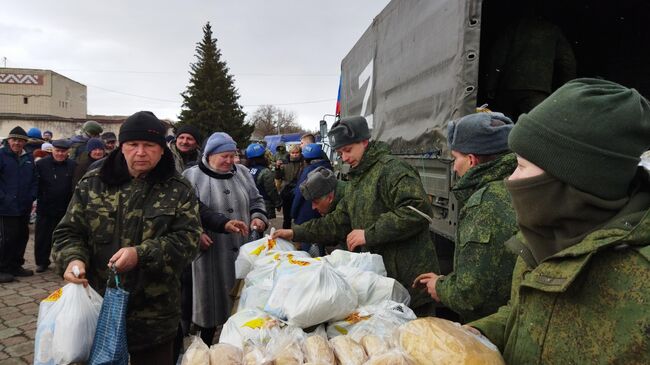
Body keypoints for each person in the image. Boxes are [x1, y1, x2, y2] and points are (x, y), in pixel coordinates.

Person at [467, 79, 650, 363]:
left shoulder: (640, 278)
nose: (510, 179)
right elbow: (526, 314)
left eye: (522, 167)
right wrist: (473, 336)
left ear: (574, 181)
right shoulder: (541, 237)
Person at [53, 111, 202, 363]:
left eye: (149, 145)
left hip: (155, 315)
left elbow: (189, 241)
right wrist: (73, 259)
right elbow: (69, 232)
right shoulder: (93, 184)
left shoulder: (179, 189)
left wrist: (141, 254)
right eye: (133, 145)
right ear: (122, 148)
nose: (141, 152)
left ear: (162, 149)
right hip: (98, 308)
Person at [273, 116, 440, 314]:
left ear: (364, 141)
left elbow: (418, 212)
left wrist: (368, 234)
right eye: (340, 152)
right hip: (384, 285)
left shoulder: (392, 170)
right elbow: (337, 222)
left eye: (348, 150)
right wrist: (294, 233)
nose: (344, 157)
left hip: (411, 283)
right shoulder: (358, 178)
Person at [413, 111, 518, 323]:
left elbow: (472, 293)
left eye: (455, 158)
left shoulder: (485, 203)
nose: (454, 167)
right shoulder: (518, 184)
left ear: (471, 160)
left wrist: (440, 288)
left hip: (490, 328)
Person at [182, 132, 268, 345]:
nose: (230, 161)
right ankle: (204, 347)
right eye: (224, 156)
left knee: (241, 305)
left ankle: (237, 347)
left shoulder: (243, 173)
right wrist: (197, 233)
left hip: (242, 250)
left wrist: (258, 218)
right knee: (209, 309)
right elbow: (184, 212)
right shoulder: (191, 177)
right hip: (209, 252)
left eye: (233, 155)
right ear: (210, 155)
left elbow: (256, 200)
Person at [485, 16, 576, 120]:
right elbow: (567, 62)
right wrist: (566, 91)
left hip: (509, 88)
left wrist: (491, 85)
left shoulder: (514, 27)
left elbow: (498, 56)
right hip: (538, 89)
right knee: (537, 126)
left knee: (502, 125)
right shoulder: (553, 30)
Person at [0, 127, 38, 282]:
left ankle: (16, 265)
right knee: (6, 238)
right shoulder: (2, 156)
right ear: (9, 140)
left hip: (24, 205)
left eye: (20, 140)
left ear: (25, 142)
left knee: (22, 236)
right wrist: (3, 197)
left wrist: (32, 195)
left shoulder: (28, 158)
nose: (17, 143)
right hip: (5, 207)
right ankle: (2, 268)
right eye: (14, 139)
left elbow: (35, 179)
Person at [34, 139, 76, 273]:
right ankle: (42, 262)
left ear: (67, 152)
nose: (60, 154)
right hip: (45, 207)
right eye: (57, 151)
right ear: (52, 150)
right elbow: (36, 184)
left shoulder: (73, 165)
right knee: (43, 237)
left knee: (64, 237)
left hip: (65, 207)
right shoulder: (41, 164)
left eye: (63, 151)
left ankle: (63, 261)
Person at [290, 144, 332, 255]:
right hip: (323, 213)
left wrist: (293, 213)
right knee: (320, 243)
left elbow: (299, 195)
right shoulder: (328, 169)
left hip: (306, 215)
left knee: (307, 248)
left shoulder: (308, 171)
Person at [246, 143, 281, 220]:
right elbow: (271, 190)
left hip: (248, 205)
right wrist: (278, 203)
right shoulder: (265, 171)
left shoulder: (246, 169)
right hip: (262, 205)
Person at [276, 144, 302, 228]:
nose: (295, 154)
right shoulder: (284, 162)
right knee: (287, 216)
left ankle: (298, 234)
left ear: (300, 153)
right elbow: (278, 177)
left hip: (299, 190)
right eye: (293, 153)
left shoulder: (304, 162)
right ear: (289, 153)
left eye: (297, 152)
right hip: (286, 191)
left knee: (300, 214)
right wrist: (277, 168)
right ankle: (285, 235)